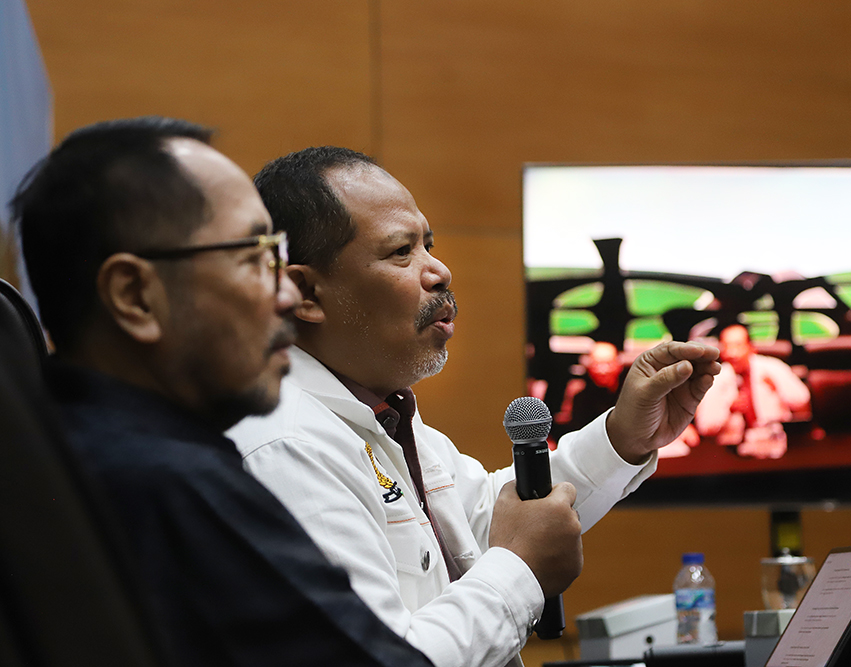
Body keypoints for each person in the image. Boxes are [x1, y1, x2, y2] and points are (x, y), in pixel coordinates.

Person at [227, 146, 721, 667]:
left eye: (429, 245)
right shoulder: (288, 448)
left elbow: (490, 519)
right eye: (401, 252)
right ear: (304, 292)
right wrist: (520, 569)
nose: (438, 270)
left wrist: (623, 437)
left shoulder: (382, 417)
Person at [12, 118, 433, 667]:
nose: (288, 295)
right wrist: (515, 574)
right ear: (136, 296)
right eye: (255, 259)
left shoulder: (59, 455)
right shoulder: (174, 486)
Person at [695, 324, 810, 459]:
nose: (733, 353)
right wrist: (729, 409)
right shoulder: (715, 379)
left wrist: (778, 388)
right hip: (732, 452)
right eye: (727, 346)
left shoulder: (773, 368)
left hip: (775, 445)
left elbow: (802, 400)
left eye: (738, 345)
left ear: (751, 347)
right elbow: (705, 427)